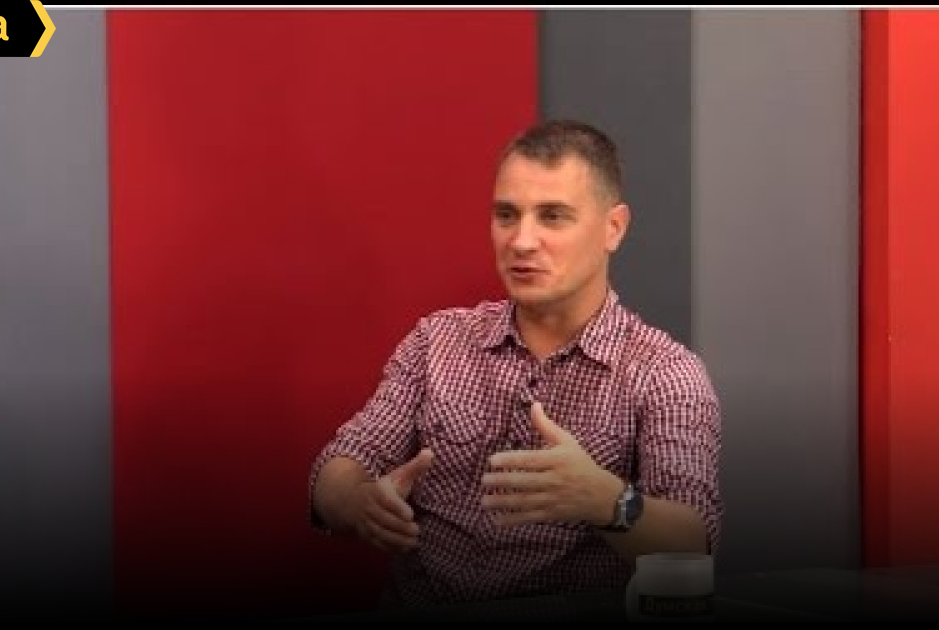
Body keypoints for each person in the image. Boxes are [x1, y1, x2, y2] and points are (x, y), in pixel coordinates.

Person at [307, 119, 723, 608]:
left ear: (613, 228)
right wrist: (359, 503)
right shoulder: (437, 341)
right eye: (507, 215)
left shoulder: (664, 373)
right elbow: (335, 468)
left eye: (552, 216)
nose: (522, 241)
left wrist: (607, 500)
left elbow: (693, 543)